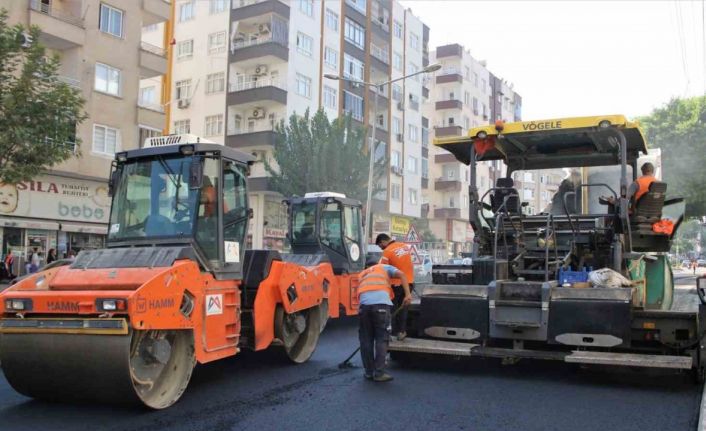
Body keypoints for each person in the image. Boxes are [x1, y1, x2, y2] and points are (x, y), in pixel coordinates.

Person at [358, 261, 411, 382]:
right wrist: (407, 295)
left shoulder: (362, 274)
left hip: (364, 307)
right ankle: (379, 373)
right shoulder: (383, 267)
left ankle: (369, 372)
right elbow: (402, 274)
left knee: (366, 339)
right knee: (382, 338)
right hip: (381, 306)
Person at [375, 233, 415, 341]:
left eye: (380, 245)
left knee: (392, 308)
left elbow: (381, 268)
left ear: (383, 241)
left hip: (395, 284)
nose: (381, 248)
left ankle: (391, 333)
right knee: (404, 308)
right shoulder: (404, 246)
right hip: (409, 282)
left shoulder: (387, 251)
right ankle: (401, 332)